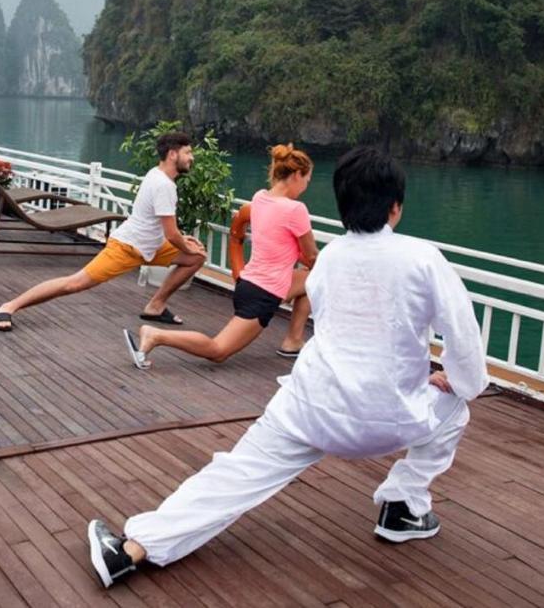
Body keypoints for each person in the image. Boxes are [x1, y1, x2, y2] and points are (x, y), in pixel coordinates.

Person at [85, 146, 490, 588]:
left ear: (342, 204)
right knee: (456, 408)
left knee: (237, 472)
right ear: (395, 207)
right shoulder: (423, 259)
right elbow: (464, 344)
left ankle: (129, 550)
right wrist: (455, 380)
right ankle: (404, 506)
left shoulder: (331, 258)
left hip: (313, 409)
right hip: (393, 418)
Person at [0, 132, 207, 333]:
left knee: (195, 257)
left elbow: (161, 225)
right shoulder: (164, 186)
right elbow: (171, 234)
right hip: (127, 248)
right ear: (172, 154)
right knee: (73, 283)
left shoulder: (158, 175)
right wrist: (182, 242)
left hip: (151, 245)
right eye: (188, 152)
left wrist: (183, 240)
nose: (192, 158)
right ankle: (8, 307)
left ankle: (156, 307)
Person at [123, 143, 316, 369]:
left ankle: (293, 341)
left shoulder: (260, 198)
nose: (305, 187)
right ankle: (156, 335)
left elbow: (279, 240)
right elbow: (312, 256)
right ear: (295, 175)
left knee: (310, 279)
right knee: (218, 350)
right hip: (263, 294)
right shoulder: (296, 210)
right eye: (306, 180)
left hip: (248, 282)